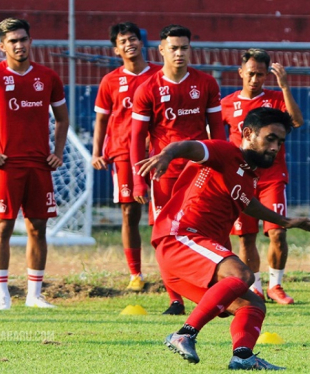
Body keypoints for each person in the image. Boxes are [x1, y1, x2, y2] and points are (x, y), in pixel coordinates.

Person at [137, 107, 310, 370]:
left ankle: (243, 356)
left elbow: (249, 204)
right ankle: (184, 334)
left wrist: (285, 221)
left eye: (280, 142)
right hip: (180, 237)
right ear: (247, 133)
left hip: (193, 254)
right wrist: (167, 153)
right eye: (270, 138)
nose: (276, 147)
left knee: (252, 303)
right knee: (242, 275)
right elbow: (189, 146)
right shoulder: (224, 152)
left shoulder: (247, 177)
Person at [0, 18, 69, 309]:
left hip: (39, 166)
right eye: (13, 41)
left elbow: (62, 118)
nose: (19, 45)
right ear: (2, 46)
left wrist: (57, 150)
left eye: (23, 39)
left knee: (38, 228)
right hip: (6, 166)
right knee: (3, 228)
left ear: (30, 41)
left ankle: (35, 295)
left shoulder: (48, 77)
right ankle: (2, 297)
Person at [131, 24, 226, 315]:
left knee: (209, 228)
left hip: (199, 172)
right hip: (164, 175)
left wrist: (222, 164)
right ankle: (175, 299)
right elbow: (136, 137)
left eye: (184, 47)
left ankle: (217, 293)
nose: (179, 53)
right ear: (161, 50)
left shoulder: (206, 83)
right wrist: (138, 181)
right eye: (173, 47)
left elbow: (217, 131)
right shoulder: (148, 88)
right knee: (165, 236)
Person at [221, 49, 304, 304]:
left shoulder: (276, 99)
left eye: (260, 75)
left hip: (272, 177)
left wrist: (285, 87)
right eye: (251, 74)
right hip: (242, 179)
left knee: (278, 231)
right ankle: (255, 287)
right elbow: (217, 137)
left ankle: (276, 285)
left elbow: (297, 122)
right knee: (246, 237)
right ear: (240, 73)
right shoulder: (227, 104)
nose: (255, 79)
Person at [92, 22, 161, 292]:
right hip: (122, 153)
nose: (129, 44)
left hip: (158, 151)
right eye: (123, 41)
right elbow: (101, 119)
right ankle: (136, 274)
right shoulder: (110, 80)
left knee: (166, 211)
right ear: (116, 49)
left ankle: (173, 271)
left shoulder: (158, 75)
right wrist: (96, 152)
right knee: (130, 211)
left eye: (133, 38)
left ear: (141, 43)